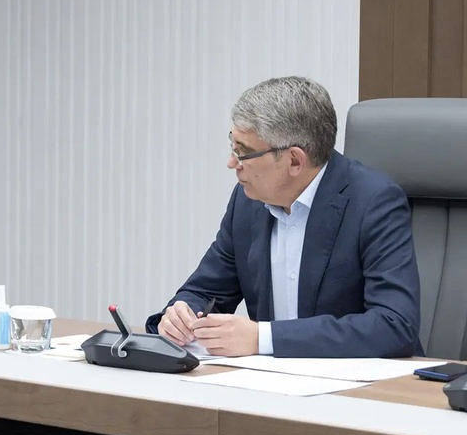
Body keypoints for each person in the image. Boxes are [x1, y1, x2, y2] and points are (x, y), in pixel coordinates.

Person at [146, 76, 421, 359]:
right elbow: (206, 291)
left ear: (294, 160)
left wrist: (262, 338)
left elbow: (395, 325)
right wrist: (181, 315)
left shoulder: (374, 202)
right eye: (233, 147)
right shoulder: (248, 201)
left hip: (366, 380)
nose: (231, 163)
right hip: (272, 380)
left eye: (244, 153)